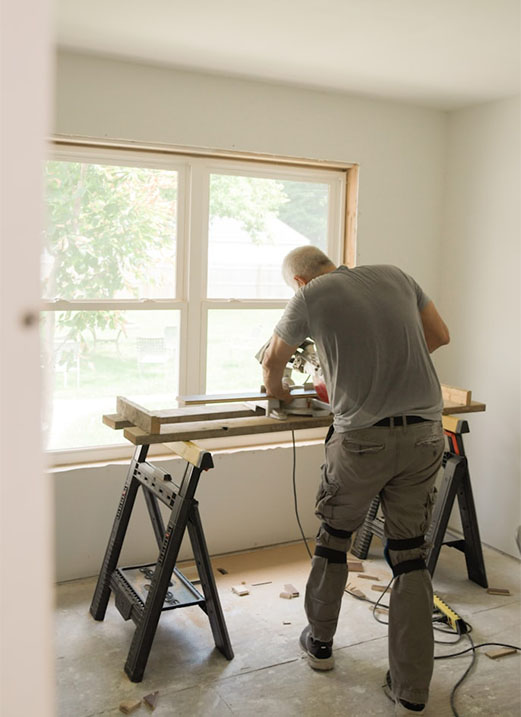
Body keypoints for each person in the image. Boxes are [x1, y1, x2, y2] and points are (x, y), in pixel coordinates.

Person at [262, 246, 450, 715]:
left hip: (362, 442)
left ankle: (320, 645)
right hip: (426, 433)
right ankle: (411, 690)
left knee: (334, 539)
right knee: (409, 556)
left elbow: (272, 363)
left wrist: (279, 397)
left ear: (300, 282)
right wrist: (386, 363)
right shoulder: (397, 273)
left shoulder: (311, 296)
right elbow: (439, 336)